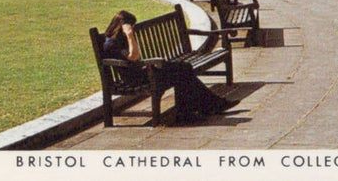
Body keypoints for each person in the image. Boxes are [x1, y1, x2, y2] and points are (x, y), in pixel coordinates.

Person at [101, 10, 238, 124]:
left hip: (143, 72)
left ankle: (192, 111)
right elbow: (134, 57)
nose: (134, 29)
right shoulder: (111, 44)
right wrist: (130, 36)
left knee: (183, 68)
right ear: (122, 26)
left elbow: (134, 59)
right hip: (135, 79)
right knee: (182, 70)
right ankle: (200, 109)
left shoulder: (118, 39)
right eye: (132, 26)